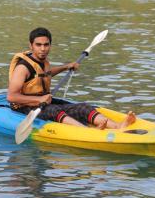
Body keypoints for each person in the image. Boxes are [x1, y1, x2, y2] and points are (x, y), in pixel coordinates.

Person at [7, 27, 136, 129]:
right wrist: (39, 99)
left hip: (43, 101)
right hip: (23, 106)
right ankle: (87, 132)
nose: (43, 49)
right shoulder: (22, 68)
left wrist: (66, 67)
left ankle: (117, 126)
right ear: (31, 45)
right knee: (54, 110)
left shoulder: (42, 61)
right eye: (38, 45)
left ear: (50, 45)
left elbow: (45, 74)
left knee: (83, 107)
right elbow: (11, 97)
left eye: (46, 45)